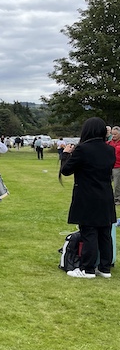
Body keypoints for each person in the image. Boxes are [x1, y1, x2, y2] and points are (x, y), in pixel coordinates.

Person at [61, 117, 116, 278]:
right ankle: (105, 268)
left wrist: (65, 155)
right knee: (105, 232)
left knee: (89, 231)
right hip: (105, 194)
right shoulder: (110, 149)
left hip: (87, 195)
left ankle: (87, 268)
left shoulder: (83, 149)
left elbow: (66, 170)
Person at [108, 127, 120, 205]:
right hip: (109, 166)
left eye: (115, 134)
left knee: (117, 184)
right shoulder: (108, 143)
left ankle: (117, 199)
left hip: (118, 166)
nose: (114, 136)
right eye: (112, 134)